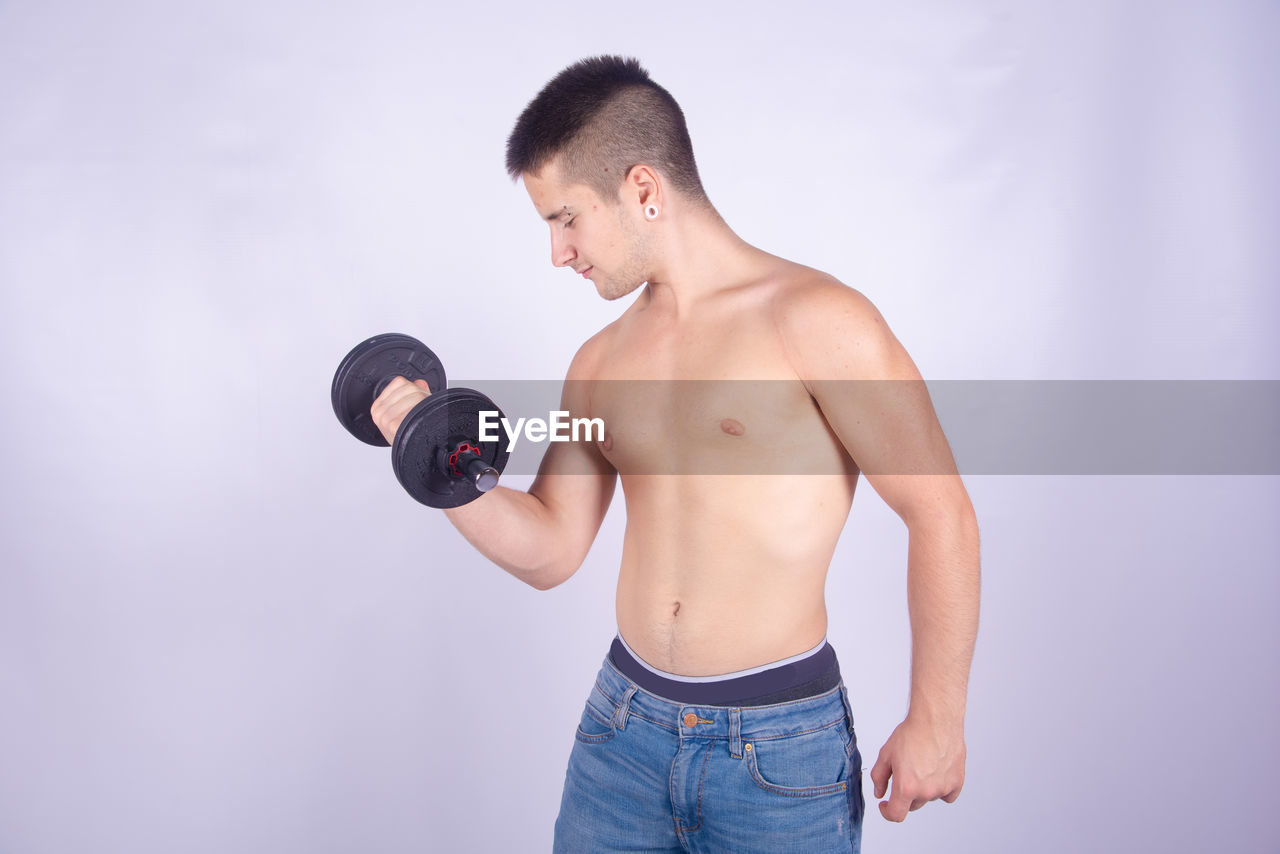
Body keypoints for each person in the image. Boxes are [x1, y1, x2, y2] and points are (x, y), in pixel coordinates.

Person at [370, 55, 980, 853]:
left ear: (644, 190)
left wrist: (937, 720)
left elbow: (940, 512)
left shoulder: (820, 323)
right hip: (621, 734)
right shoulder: (598, 363)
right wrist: (441, 465)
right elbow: (552, 546)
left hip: (776, 754)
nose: (559, 253)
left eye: (566, 219)